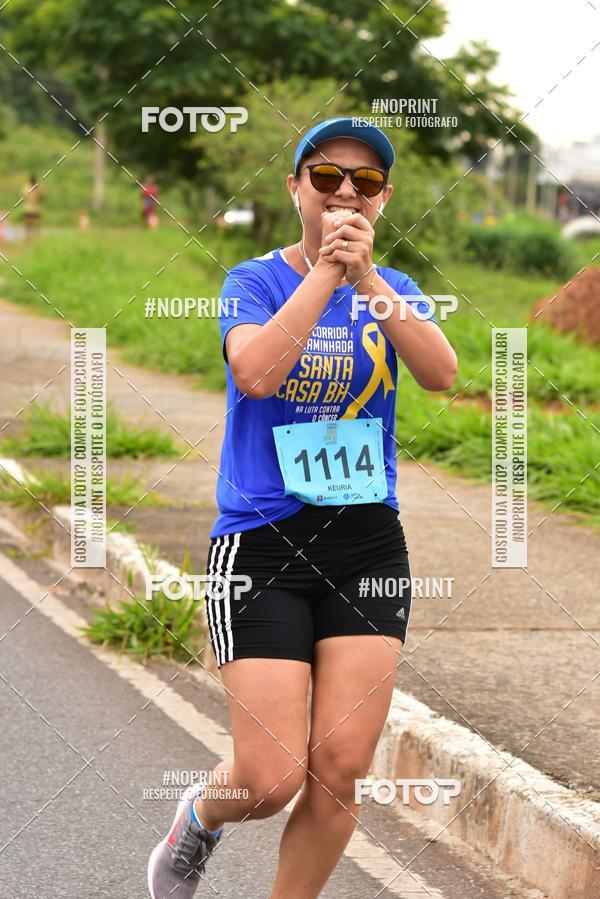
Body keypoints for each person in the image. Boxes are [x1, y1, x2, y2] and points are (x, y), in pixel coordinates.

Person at [148, 117, 457, 899]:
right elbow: (254, 371)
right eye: (326, 178)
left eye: (365, 182)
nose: (345, 192)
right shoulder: (253, 282)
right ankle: (200, 819)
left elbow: (443, 372)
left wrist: (370, 283)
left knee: (341, 768)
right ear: (296, 190)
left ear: (384, 200)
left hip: (366, 546)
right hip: (260, 546)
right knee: (271, 775)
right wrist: (324, 274)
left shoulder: (398, 293)